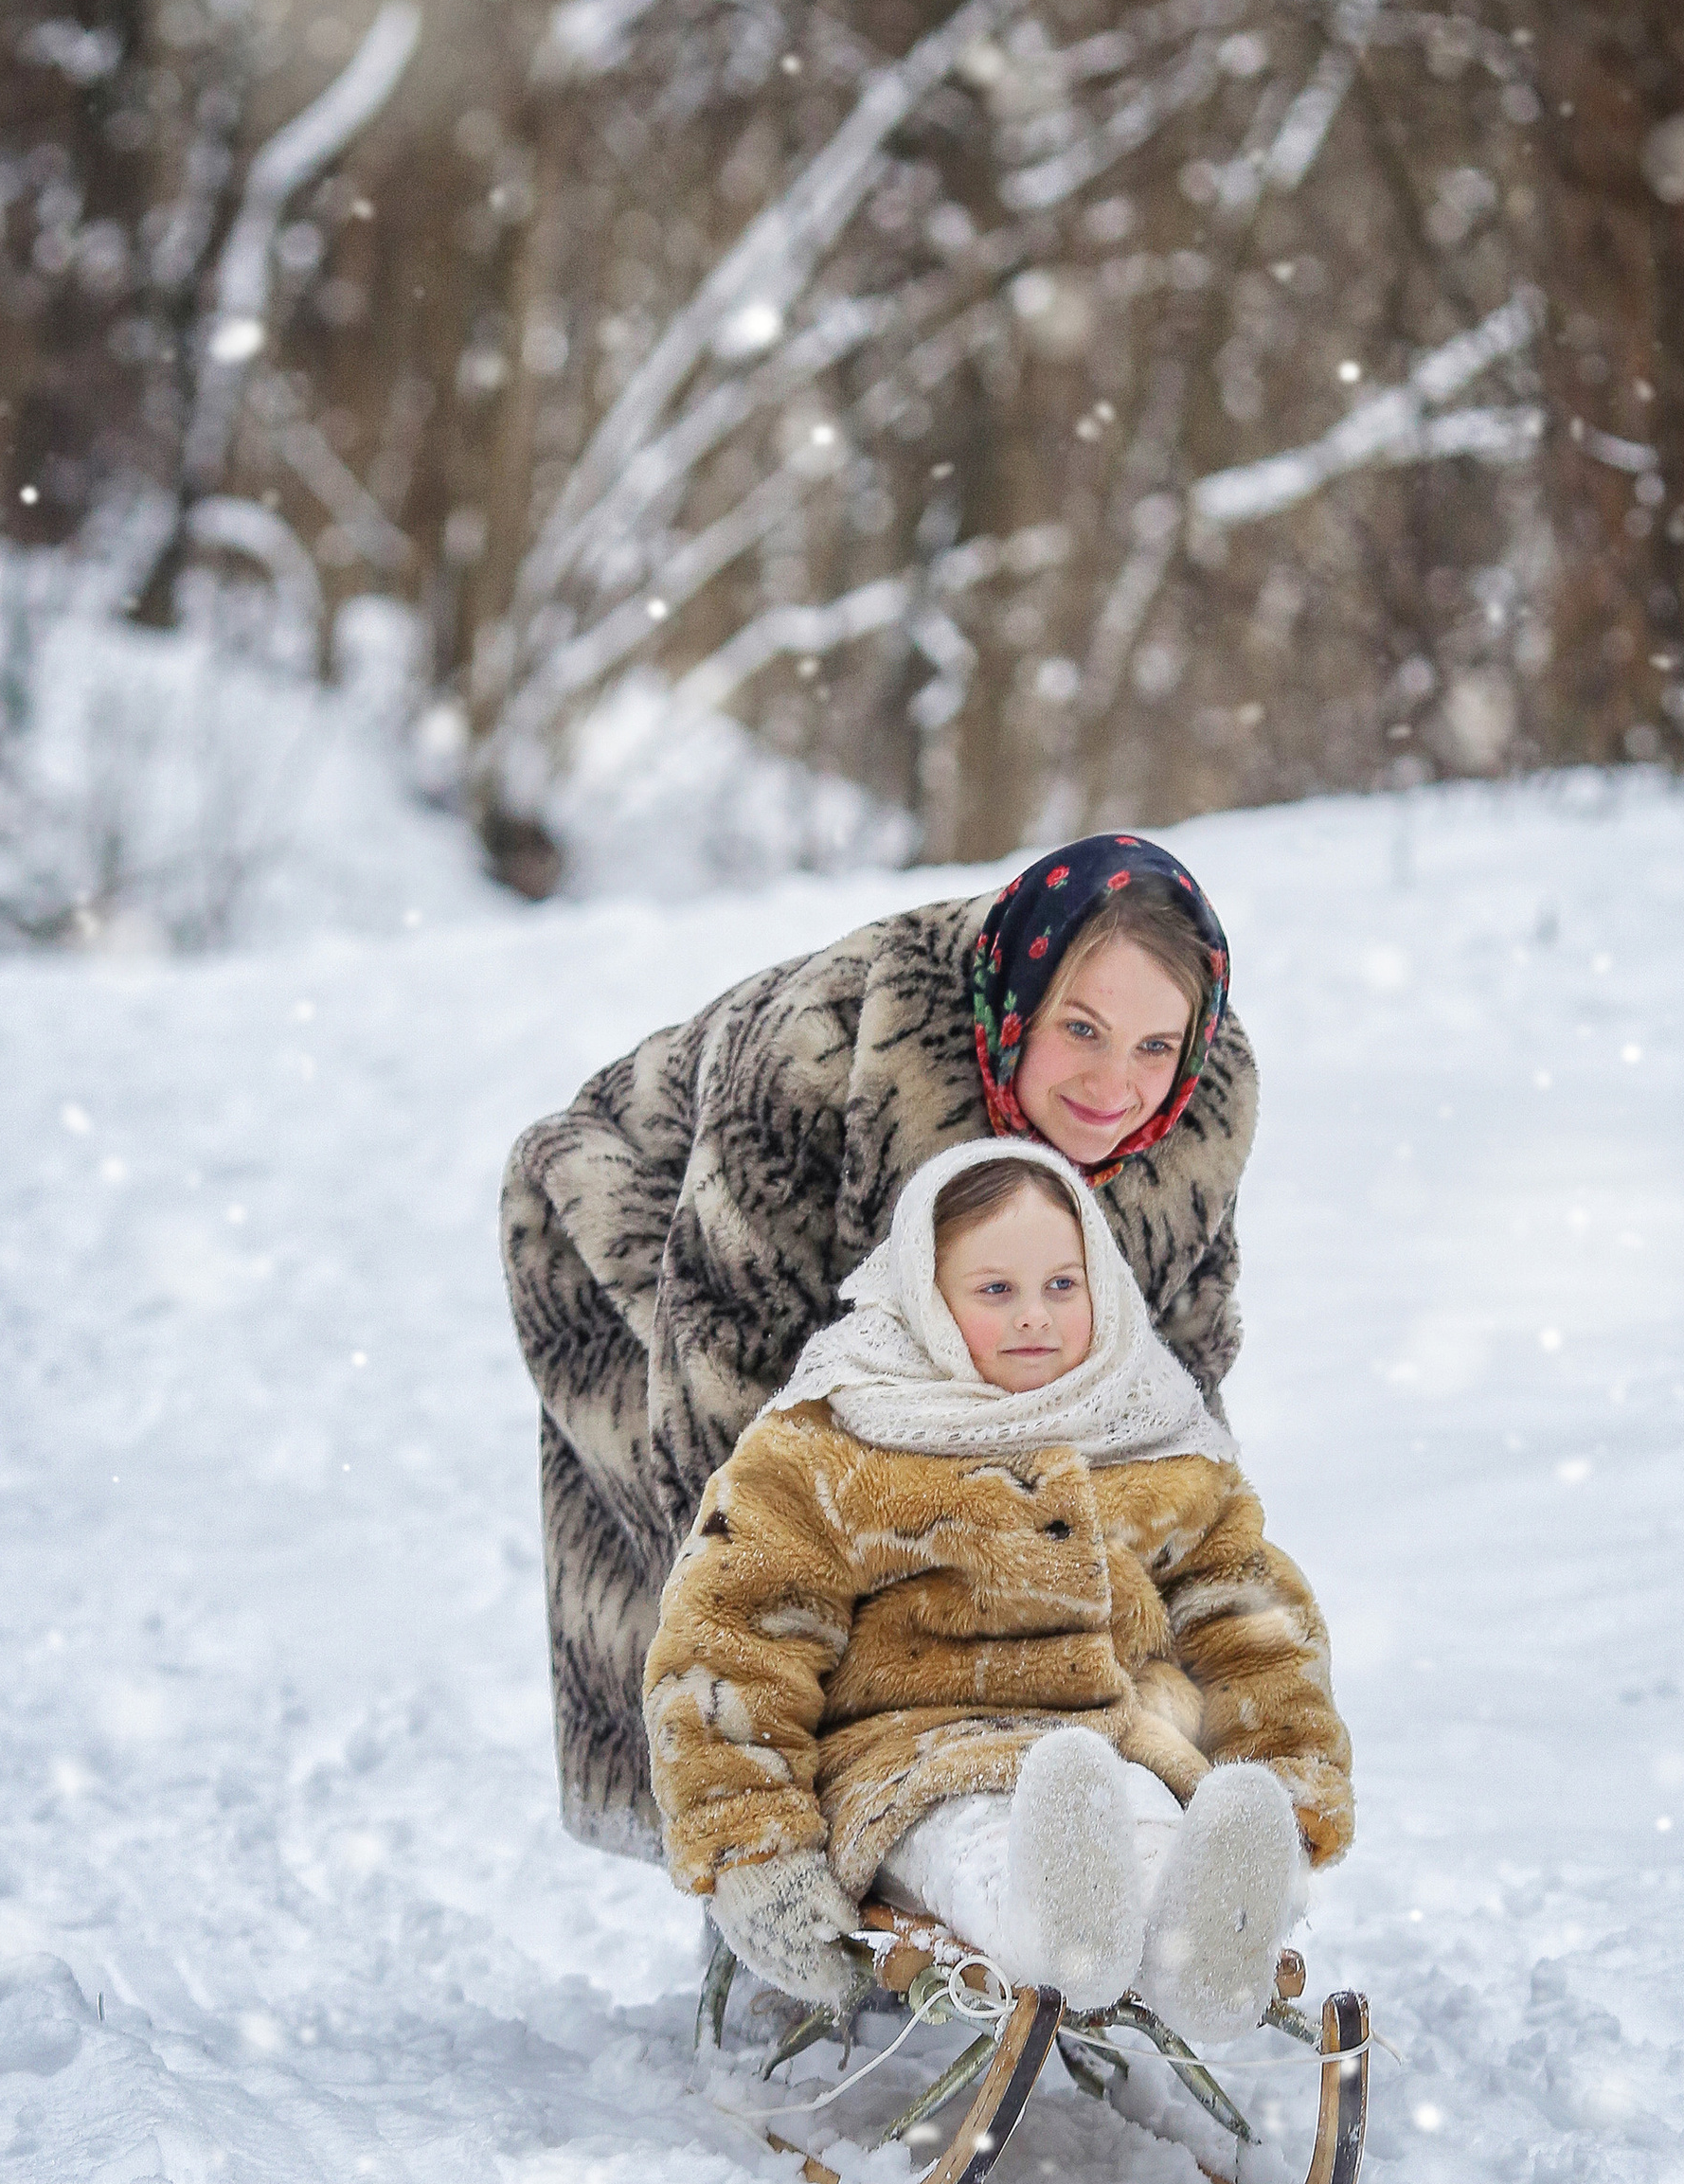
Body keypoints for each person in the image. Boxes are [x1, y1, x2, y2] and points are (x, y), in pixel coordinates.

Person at [501, 835, 1253, 1862]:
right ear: (1018, 1001)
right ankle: (772, 1909)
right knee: (790, 1564)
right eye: (1080, 1028)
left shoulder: (1192, 1114)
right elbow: (722, 1393)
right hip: (631, 1227)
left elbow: (1171, 1392)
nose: (1115, 1085)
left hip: (924, 1259)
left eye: (1152, 1047)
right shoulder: (822, 1055)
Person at [641, 1143, 1352, 2038]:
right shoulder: (835, 1441)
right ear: (927, 1299)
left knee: (1145, 1825)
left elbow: (1247, 1621)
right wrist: (753, 1842)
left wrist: (1289, 1770)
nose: (1036, 1319)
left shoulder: (1153, 1434)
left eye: (1063, 1285)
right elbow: (733, 1641)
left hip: (1120, 1750)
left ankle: (1202, 1951)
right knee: (978, 1846)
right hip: (915, 1764)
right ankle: (1056, 1938)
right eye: (994, 1291)